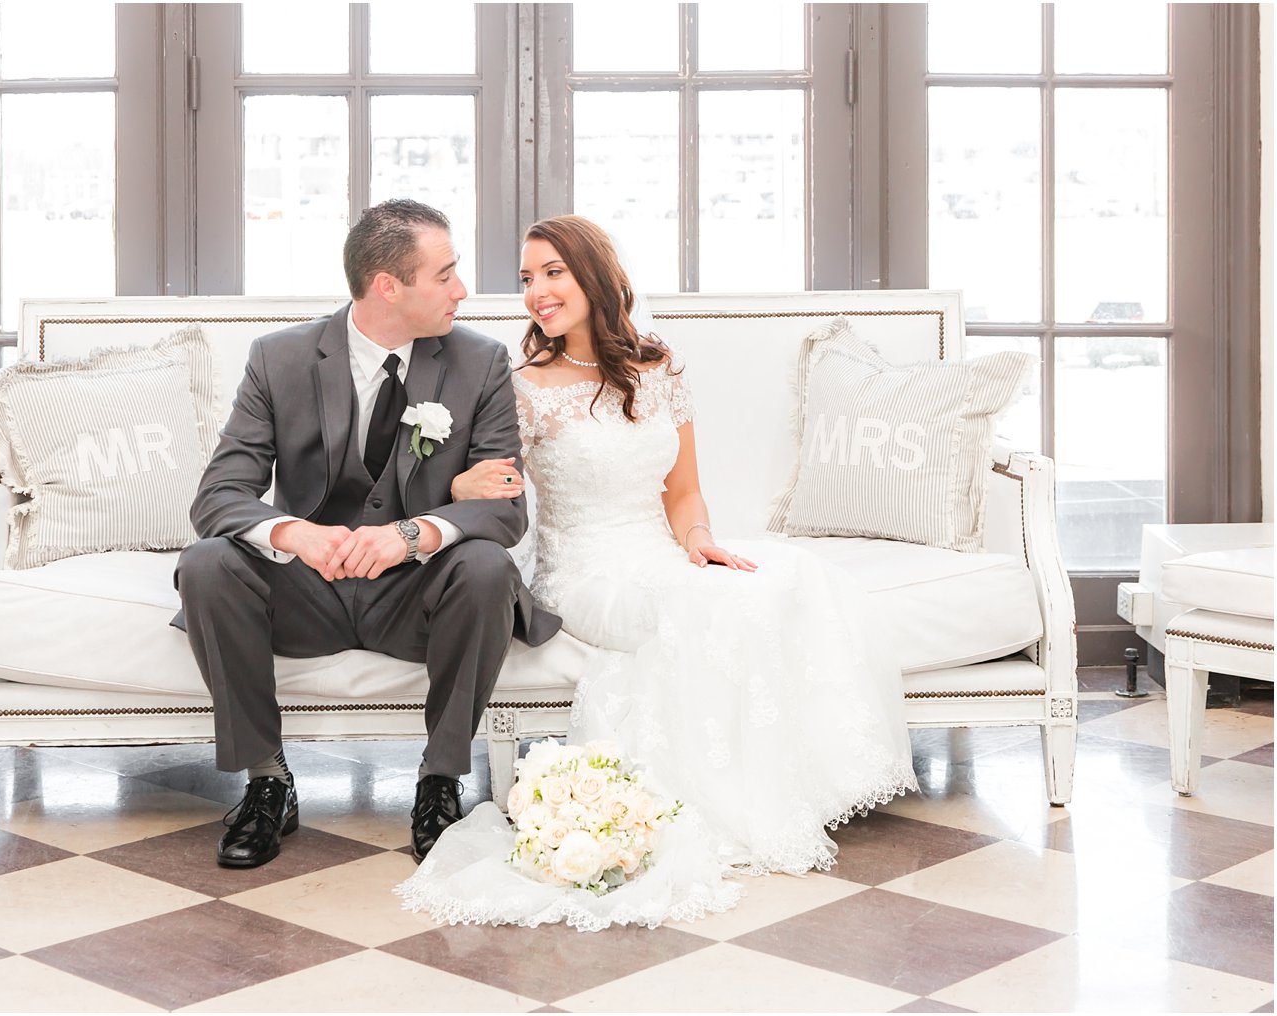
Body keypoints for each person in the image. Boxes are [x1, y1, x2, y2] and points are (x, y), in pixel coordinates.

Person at [445, 215, 918, 881]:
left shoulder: (660, 368)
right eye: (527, 278)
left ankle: (788, 785)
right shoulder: (524, 386)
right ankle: (716, 801)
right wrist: (461, 479)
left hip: (659, 551)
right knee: (699, 608)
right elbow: (489, 482)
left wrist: (699, 543)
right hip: (582, 570)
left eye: (553, 272)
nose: (536, 292)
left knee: (788, 577)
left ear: (596, 276)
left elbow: (684, 492)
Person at [173, 199, 560, 869]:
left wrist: (410, 534)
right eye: (445, 275)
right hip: (306, 596)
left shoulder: (480, 364)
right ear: (388, 286)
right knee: (207, 563)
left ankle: (439, 783)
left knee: (488, 568)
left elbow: (503, 511)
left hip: (415, 598)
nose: (461, 290)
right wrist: (296, 534)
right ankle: (268, 782)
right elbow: (218, 497)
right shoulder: (279, 360)